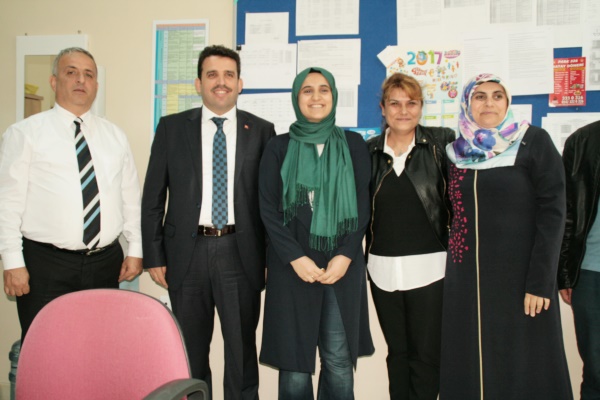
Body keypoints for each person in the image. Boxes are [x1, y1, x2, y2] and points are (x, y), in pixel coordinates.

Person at [141, 45, 276, 400]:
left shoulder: (262, 131)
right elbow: (153, 196)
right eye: (212, 74)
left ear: (240, 83)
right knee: (189, 353)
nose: (221, 82)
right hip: (187, 255)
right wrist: (153, 254)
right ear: (198, 83)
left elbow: (271, 203)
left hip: (241, 254)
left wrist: (268, 257)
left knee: (242, 354)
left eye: (229, 75)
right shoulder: (172, 128)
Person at [440, 73, 572, 399]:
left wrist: (540, 281)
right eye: (480, 96)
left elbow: (553, 213)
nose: (489, 103)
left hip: (522, 278)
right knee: (473, 360)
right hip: (468, 280)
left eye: (497, 96)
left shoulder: (533, 141)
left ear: (507, 102)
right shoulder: (455, 153)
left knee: (525, 363)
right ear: (467, 103)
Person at [0, 47, 143, 342]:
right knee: (46, 350)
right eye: (71, 72)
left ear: (96, 86)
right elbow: (7, 202)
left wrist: (136, 250)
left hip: (105, 264)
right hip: (46, 266)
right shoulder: (24, 133)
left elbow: (130, 198)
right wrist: (12, 261)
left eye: (88, 74)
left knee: (100, 347)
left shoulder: (115, 136)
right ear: (54, 82)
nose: (81, 80)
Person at [258, 67, 374, 399]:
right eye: (307, 90)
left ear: (333, 96)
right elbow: (267, 209)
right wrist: (295, 257)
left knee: (338, 361)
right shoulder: (278, 147)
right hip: (292, 268)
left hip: (341, 269)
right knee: (294, 366)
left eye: (324, 89)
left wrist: (346, 255)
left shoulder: (353, 145)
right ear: (297, 98)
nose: (316, 97)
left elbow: (363, 206)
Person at [366, 73, 454, 400]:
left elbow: (460, 203)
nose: (403, 111)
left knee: (426, 356)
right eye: (395, 103)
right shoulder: (367, 152)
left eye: (411, 103)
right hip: (382, 270)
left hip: (432, 269)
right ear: (383, 108)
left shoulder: (441, 144)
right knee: (397, 354)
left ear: (421, 107)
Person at [558, 119, 600, 399]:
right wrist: (564, 272)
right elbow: (565, 211)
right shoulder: (582, 141)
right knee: (596, 370)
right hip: (591, 273)